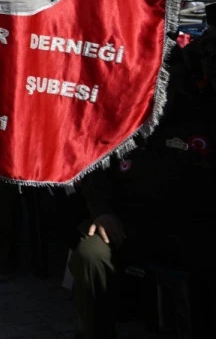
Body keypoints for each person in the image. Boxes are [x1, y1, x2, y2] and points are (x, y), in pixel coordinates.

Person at [69, 43, 216, 338]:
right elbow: (96, 172)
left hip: (192, 228)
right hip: (130, 224)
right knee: (91, 252)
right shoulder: (122, 119)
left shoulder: (203, 118)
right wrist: (102, 211)